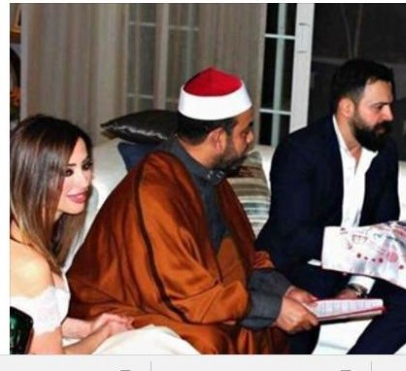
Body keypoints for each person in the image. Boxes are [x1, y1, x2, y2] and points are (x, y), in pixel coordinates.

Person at [68, 67, 318, 354]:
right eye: (245, 130)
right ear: (217, 139)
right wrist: (274, 310)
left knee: (280, 329)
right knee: (213, 341)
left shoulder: (208, 175)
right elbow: (185, 296)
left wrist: (284, 291)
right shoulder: (155, 189)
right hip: (119, 305)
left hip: (183, 297)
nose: (251, 138)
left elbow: (242, 259)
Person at [256, 58, 406, 354]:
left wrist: (359, 285)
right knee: (300, 331)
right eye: (379, 107)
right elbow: (294, 236)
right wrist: (357, 251)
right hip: (301, 265)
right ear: (347, 108)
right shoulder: (299, 150)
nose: (389, 116)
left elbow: (385, 224)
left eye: (390, 106)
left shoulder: (385, 151)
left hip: (355, 265)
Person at [10, 115, 133, 354]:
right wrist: (102, 334)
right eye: (67, 171)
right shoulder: (30, 265)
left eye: (85, 166)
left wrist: (86, 328)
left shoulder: (24, 234)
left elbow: (29, 317)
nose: (84, 180)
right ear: (32, 176)